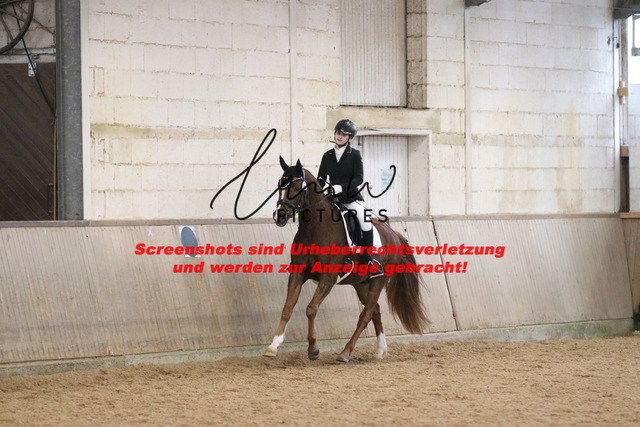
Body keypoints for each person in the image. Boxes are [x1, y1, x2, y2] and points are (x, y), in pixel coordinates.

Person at [317, 119, 383, 278]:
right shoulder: (327, 156)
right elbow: (320, 179)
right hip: (332, 199)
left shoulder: (354, 155)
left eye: (344, 135)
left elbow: (359, 179)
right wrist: (317, 193)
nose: (340, 137)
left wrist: (341, 187)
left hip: (351, 198)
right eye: (338, 133)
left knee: (366, 222)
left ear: (350, 138)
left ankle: (369, 261)